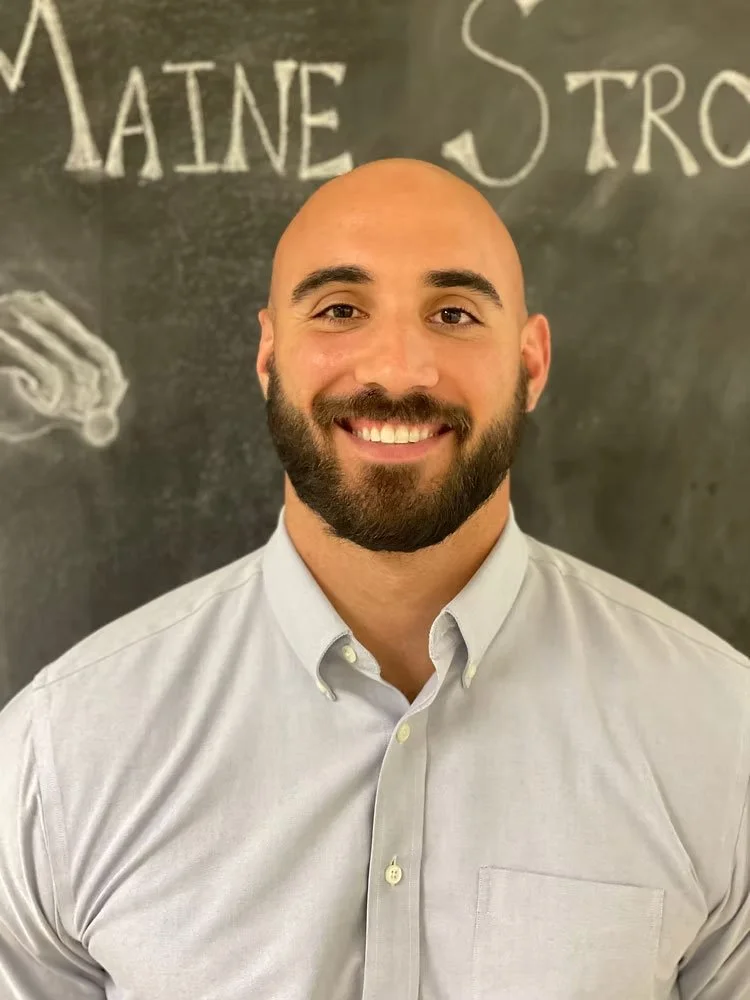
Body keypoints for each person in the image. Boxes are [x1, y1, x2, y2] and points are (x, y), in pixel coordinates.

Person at [0, 158, 748, 999]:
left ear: (532, 365)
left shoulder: (722, 738)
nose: (397, 370)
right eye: (340, 310)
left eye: (455, 313)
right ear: (268, 356)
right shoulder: (61, 753)